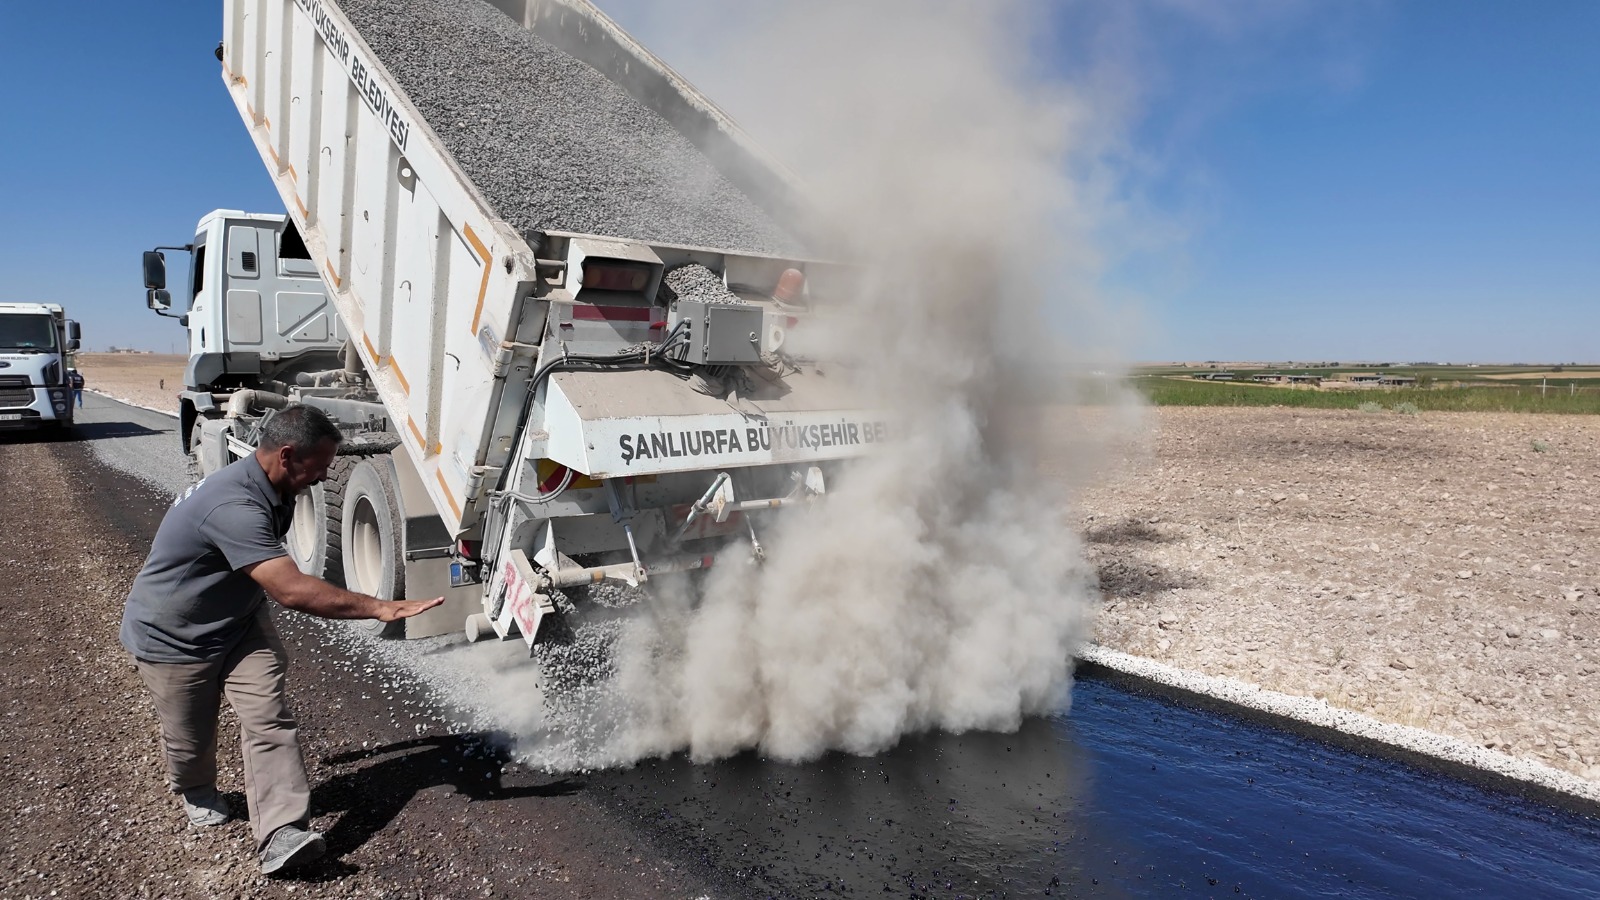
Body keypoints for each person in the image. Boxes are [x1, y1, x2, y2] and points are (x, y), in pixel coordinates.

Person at [120, 405, 442, 875]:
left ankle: (281, 832)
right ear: (288, 455)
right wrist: (379, 606)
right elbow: (292, 590)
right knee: (191, 739)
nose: (325, 474)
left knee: (269, 719)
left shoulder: (276, 484)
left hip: (240, 624)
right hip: (174, 638)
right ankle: (196, 790)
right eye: (321, 465)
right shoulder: (233, 506)